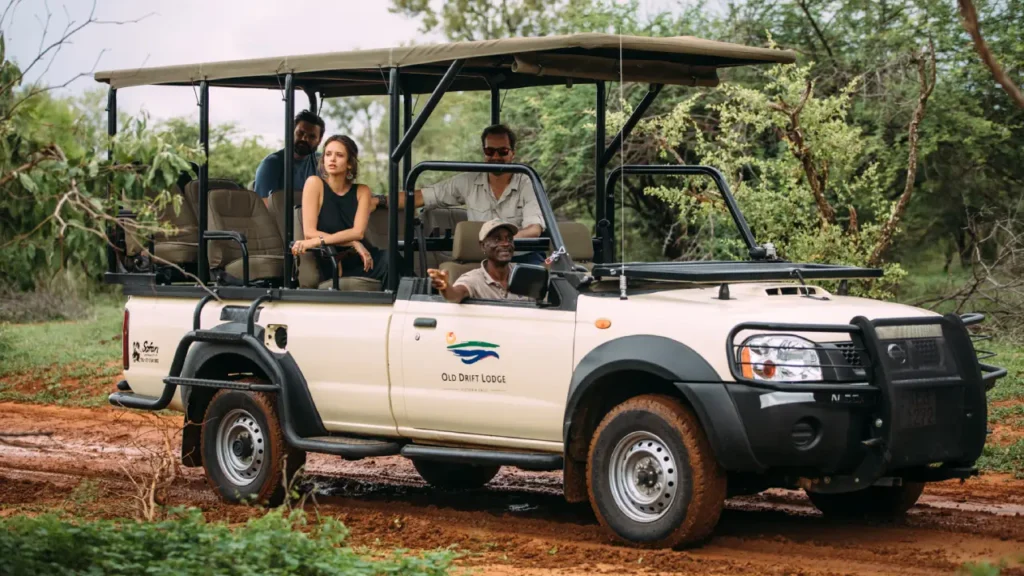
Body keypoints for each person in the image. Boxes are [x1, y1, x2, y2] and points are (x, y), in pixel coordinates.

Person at [374, 124, 546, 264]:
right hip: (483, 260)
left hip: (522, 257)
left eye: (502, 152)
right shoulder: (469, 181)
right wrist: (378, 200)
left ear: (512, 154)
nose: (495, 157)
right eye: (489, 151)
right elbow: (420, 197)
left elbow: (534, 229)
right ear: (483, 152)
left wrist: (502, 243)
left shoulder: (527, 182)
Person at [290, 135, 391, 284]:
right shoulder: (314, 183)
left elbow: (358, 232)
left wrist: (355, 241)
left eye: (339, 155)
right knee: (391, 263)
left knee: (392, 258)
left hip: (362, 258)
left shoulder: (362, 191)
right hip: (332, 258)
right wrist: (353, 243)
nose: (332, 159)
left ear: (349, 163)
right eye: (328, 154)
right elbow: (310, 233)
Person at [427, 219, 530, 303]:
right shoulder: (474, 279)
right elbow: (455, 295)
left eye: (509, 239)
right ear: (483, 246)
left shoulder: (525, 274)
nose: (506, 244)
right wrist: (445, 287)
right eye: (497, 239)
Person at [254, 110, 324, 206]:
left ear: (319, 141)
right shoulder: (272, 164)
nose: (304, 139)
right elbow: (263, 207)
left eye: (311, 136)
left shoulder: (321, 162)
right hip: (280, 220)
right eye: (300, 133)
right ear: (292, 132)